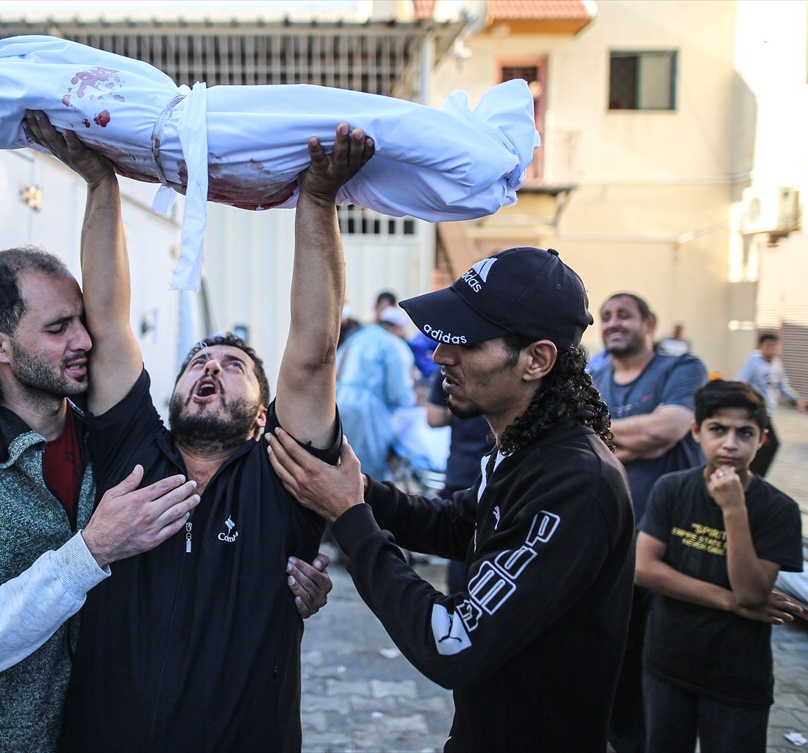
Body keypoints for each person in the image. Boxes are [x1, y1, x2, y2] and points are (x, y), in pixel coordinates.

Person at [24, 116, 374, 753]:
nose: (211, 368)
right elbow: (106, 316)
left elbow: (313, 353)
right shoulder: (132, 450)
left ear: (265, 416)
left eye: (234, 366)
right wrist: (101, 185)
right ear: (174, 391)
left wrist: (318, 202)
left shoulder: (288, 477)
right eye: (198, 364)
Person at [268, 246, 635, 753]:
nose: (441, 354)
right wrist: (359, 489)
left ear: (537, 359)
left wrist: (351, 519)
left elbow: (453, 642)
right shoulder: (524, 448)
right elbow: (462, 524)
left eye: (467, 342)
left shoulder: (577, 482)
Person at [0, 248, 202, 750]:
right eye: (58, 327)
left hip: (110, 729)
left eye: (82, 320)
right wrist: (90, 551)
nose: (84, 340)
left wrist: (279, 573)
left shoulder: (105, 437)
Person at [635, 380, 803, 753]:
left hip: (737, 675)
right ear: (697, 432)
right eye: (717, 429)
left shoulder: (779, 510)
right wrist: (732, 603)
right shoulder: (672, 489)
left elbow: (753, 592)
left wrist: (733, 510)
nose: (730, 443)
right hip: (668, 661)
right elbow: (644, 568)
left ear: (762, 440)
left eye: (744, 433)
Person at [590, 291, 708, 753]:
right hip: (612, 537)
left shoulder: (681, 369)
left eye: (624, 315)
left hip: (670, 541)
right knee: (617, 652)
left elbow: (667, 431)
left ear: (649, 323)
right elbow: (573, 437)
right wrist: (631, 439)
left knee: (665, 660)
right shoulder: (595, 374)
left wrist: (599, 438)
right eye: (606, 317)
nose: (614, 323)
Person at [426, 370, 495, 593]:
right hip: (489, 473)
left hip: (462, 471)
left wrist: (460, 405)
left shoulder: (447, 370)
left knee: (462, 550)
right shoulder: (499, 367)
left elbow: (434, 417)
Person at [336, 304, 419, 481]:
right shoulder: (395, 346)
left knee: (339, 466)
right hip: (368, 415)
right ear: (398, 329)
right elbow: (399, 392)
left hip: (337, 402)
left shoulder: (357, 337)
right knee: (366, 476)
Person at [736, 332, 807, 476]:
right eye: (768, 346)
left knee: (761, 444)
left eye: (775, 346)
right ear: (760, 346)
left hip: (768, 411)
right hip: (755, 410)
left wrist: (796, 399)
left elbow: (782, 387)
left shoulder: (777, 364)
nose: (772, 349)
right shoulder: (753, 361)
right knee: (771, 443)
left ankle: (750, 474)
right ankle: (754, 475)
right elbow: (741, 382)